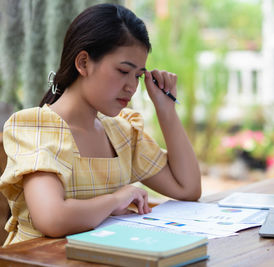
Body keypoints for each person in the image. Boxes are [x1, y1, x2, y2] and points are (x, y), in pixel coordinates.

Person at [0, 3, 201, 246]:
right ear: (83, 63)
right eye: (122, 70)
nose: (132, 86)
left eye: (137, 75)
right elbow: (52, 219)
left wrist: (166, 109)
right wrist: (116, 200)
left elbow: (187, 188)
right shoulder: (37, 128)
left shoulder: (121, 132)